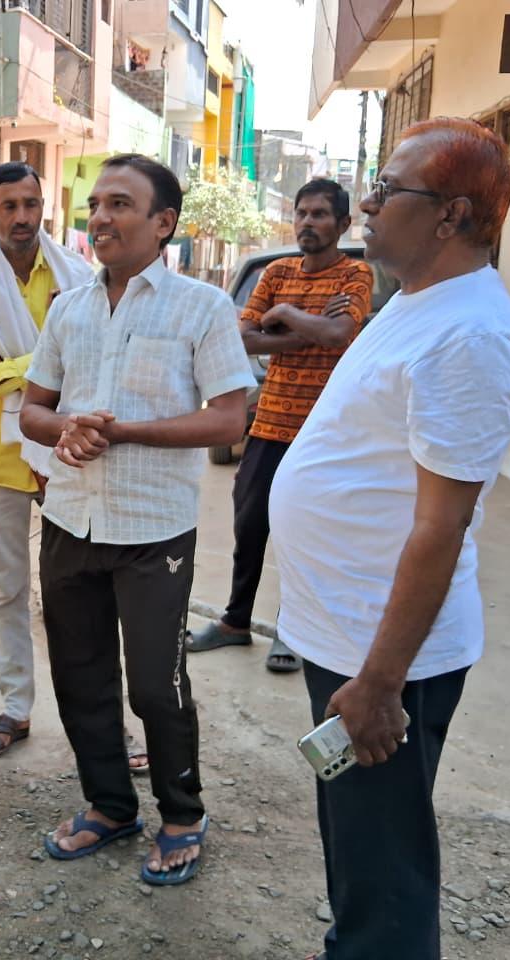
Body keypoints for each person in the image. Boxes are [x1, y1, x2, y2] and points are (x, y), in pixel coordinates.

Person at [268, 119, 510, 959]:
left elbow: (441, 525)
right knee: (359, 846)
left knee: (384, 865)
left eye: (387, 190)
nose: (368, 204)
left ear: (451, 215)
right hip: (348, 629)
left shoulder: (472, 337)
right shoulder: (420, 302)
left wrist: (381, 683)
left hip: (385, 654)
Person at [19, 154, 255, 885]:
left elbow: (229, 419)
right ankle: (111, 805)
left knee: (156, 684)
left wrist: (122, 433)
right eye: (95, 204)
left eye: (120, 203)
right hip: (70, 520)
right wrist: (66, 428)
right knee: (80, 676)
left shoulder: (202, 307)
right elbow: (31, 410)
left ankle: (182, 814)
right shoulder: (69, 308)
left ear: (163, 223)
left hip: (154, 530)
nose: (100, 217)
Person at [0, 162, 149, 773]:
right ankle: (15, 709)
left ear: (44, 207)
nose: (22, 217)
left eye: (31, 204)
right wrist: (45, 364)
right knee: (9, 590)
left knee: (89, 597)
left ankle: (110, 724)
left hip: (69, 452)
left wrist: (12, 365)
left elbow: (99, 359)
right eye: (8, 206)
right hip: (2, 461)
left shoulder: (81, 278)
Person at [187, 179, 373, 672]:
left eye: (320, 214)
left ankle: (292, 632)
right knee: (249, 525)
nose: (308, 222)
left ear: (343, 223)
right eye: (302, 213)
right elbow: (242, 339)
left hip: (324, 432)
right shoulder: (276, 271)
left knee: (305, 532)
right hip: (269, 422)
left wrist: (285, 313)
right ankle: (235, 622)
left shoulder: (355, 274)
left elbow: (340, 333)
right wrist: (310, 330)